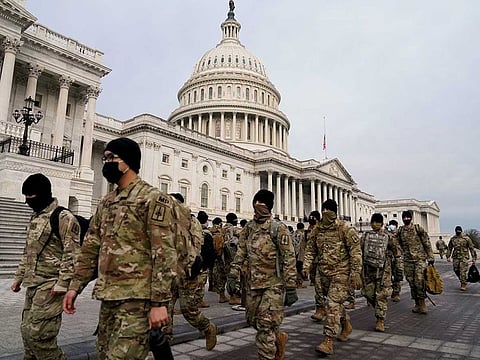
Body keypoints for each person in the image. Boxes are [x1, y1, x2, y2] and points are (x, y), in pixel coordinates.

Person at [63, 137, 182, 360]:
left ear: (127, 161)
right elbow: (91, 247)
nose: (105, 162)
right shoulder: (107, 202)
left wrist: (159, 303)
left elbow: (164, 253)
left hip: (137, 301)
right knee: (104, 354)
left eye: (111, 158)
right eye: (104, 157)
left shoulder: (153, 199)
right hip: (108, 298)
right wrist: (75, 286)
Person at [11, 173, 81, 360]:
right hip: (33, 283)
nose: (28, 202)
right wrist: (19, 276)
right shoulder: (35, 216)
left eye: (31, 198)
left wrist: (63, 283)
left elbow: (72, 252)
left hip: (51, 285)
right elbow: (29, 250)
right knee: (27, 333)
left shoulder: (64, 217)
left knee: (41, 337)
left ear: (42, 194)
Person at [227, 189, 297, 360]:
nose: (258, 207)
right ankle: (278, 337)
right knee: (254, 321)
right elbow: (241, 252)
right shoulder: (248, 228)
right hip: (252, 284)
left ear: (269, 207)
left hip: (273, 285)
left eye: (262, 204)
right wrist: (233, 274)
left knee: (265, 325)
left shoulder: (277, 228)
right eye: (256, 203)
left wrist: (290, 286)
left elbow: (289, 257)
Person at [302, 199, 362, 355]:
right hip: (324, 274)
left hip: (341, 273)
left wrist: (355, 273)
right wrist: (306, 266)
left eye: (329, 210)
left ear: (335, 212)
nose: (325, 212)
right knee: (335, 305)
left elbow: (355, 253)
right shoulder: (318, 230)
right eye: (324, 209)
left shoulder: (345, 229)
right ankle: (346, 324)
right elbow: (310, 249)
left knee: (332, 304)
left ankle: (328, 341)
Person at [162, 196, 217, 351]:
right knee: (165, 309)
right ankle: (163, 347)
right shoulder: (163, 222)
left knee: (188, 309)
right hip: (168, 274)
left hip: (187, 272)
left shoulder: (192, 222)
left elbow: (196, 246)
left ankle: (207, 327)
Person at [361, 213, 400, 332]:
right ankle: (379, 309)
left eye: (377, 222)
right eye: (373, 222)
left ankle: (380, 320)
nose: (374, 224)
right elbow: (359, 248)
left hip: (384, 271)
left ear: (381, 223)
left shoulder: (388, 236)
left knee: (381, 295)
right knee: (368, 293)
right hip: (369, 270)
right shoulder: (366, 236)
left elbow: (396, 251)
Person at [396, 210, 434, 315]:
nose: (406, 219)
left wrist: (430, 256)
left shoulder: (418, 229)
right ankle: (417, 303)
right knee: (412, 283)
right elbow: (396, 243)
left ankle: (422, 304)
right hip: (407, 260)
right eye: (404, 218)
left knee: (419, 281)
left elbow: (426, 242)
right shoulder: (400, 231)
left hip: (419, 259)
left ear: (411, 218)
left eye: (408, 217)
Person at [306, 210, 326, 321]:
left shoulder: (324, 229)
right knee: (318, 288)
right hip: (317, 263)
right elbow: (309, 248)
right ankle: (320, 309)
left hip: (333, 266)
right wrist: (306, 264)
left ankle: (343, 319)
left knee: (334, 295)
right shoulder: (311, 230)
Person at [447, 226, 477, 291]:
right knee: (456, 269)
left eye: (459, 232)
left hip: (464, 257)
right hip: (456, 257)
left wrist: (474, 258)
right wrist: (448, 256)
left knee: (462, 271)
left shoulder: (466, 239)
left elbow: (471, 248)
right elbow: (449, 248)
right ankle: (463, 279)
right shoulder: (453, 239)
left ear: (461, 231)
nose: (458, 233)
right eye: (457, 232)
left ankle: (463, 284)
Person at [387, 219, 403, 302]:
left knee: (397, 275)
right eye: (391, 225)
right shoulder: (386, 234)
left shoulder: (399, 235)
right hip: (388, 258)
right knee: (387, 276)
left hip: (397, 258)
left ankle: (396, 293)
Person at [292, 222, 307, 289]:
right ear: (302, 228)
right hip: (300, 254)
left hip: (293, 253)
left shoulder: (293, 234)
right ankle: (299, 283)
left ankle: (296, 282)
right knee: (300, 268)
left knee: (296, 268)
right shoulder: (302, 235)